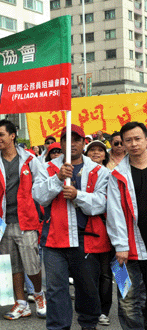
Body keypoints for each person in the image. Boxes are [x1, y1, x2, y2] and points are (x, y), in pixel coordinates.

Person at [34, 124, 109, 330]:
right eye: (67, 139)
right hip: (53, 239)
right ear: (62, 142)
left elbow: (102, 203)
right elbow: (39, 196)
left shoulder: (98, 170)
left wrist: (78, 196)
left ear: (84, 143)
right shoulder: (47, 167)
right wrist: (58, 178)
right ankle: (58, 326)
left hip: (87, 239)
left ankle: (88, 325)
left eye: (77, 139)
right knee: (56, 290)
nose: (72, 144)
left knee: (87, 289)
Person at [0, 119, 47, 320]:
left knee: (32, 265)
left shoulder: (30, 160)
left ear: (13, 135)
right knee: (12, 266)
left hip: (26, 221)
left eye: (1, 135)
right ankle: (21, 303)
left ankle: (38, 294)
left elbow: (41, 188)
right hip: (3, 223)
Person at [107, 121, 147, 330]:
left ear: (146, 140)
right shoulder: (117, 175)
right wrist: (120, 244)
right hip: (127, 249)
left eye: (137, 139)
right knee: (127, 300)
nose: (133, 144)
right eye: (128, 140)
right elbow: (115, 213)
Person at [84, 139, 114, 326]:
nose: (96, 153)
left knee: (105, 273)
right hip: (84, 229)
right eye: (92, 150)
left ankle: (103, 310)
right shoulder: (79, 174)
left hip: (105, 228)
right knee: (86, 273)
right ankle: (88, 308)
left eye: (100, 150)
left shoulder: (112, 175)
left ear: (105, 155)